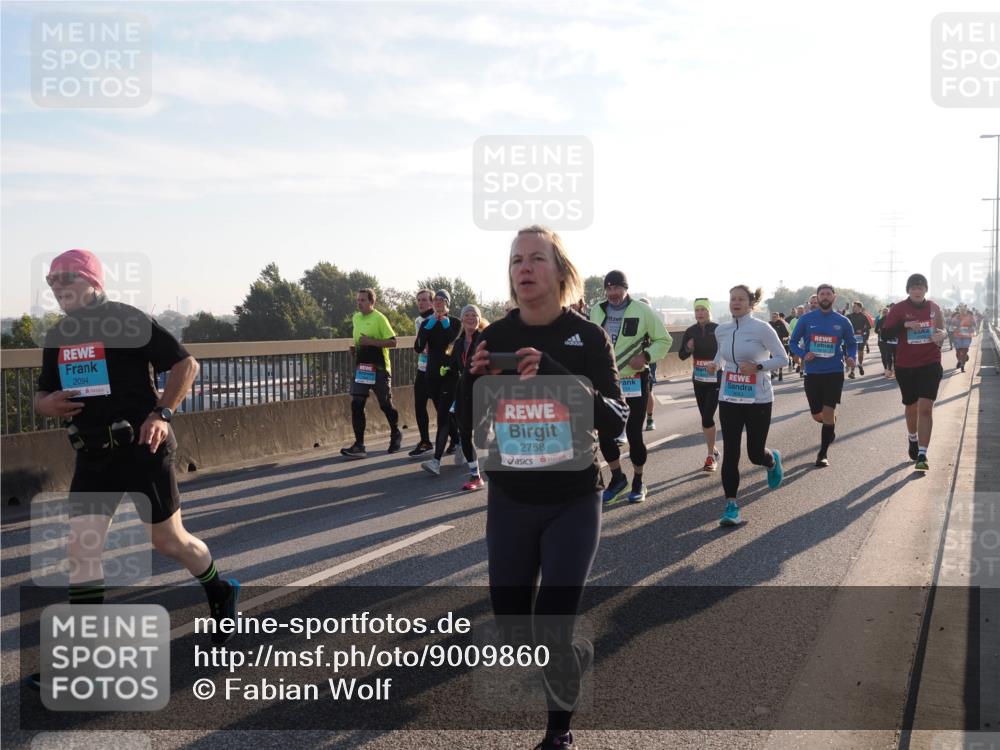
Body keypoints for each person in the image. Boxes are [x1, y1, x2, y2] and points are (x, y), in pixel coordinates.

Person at [29, 249, 239, 690]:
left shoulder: (126, 320)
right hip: (93, 455)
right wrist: (45, 404)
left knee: (168, 542)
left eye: (67, 277)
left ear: (93, 281)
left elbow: (186, 364)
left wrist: (163, 413)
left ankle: (219, 588)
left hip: (144, 447)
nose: (58, 287)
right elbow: (42, 395)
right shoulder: (58, 335)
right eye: (51, 281)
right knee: (81, 549)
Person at [461, 225, 627, 750]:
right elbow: (470, 424)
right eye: (516, 260)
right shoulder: (494, 338)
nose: (524, 268)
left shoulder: (589, 336)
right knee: (512, 626)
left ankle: (559, 732)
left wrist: (554, 373)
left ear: (560, 271)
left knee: (554, 622)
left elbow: (617, 421)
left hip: (572, 502)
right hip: (510, 502)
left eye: (536, 258)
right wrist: (472, 380)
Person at [706, 285, 788, 526]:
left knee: (754, 453)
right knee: (731, 452)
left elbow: (782, 357)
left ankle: (771, 459)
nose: (735, 302)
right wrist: (714, 364)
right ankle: (731, 506)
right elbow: (721, 354)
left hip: (758, 398)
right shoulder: (722, 330)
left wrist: (758, 367)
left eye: (741, 299)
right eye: (732, 299)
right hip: (730, 396)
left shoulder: (762, 328)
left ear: (751, 303)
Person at [590, 271, 672, 504]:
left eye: (617, 288)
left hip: (635, 379)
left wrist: (646, 356)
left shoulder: (643, 310)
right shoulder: (597, 310)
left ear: (626, 289)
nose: (613, 293)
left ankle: (638, 481)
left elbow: (664, 340)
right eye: (609, 288)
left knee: (634, 434)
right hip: (606, 381)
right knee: (605, 434)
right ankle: (618, 478)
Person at [880, 273, 947, 472]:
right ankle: (913, 438)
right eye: (913, 288)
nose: (917, 291)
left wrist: (941, 335)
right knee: (912, 407)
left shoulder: (934, 307)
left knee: (926, 408)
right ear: (908, 290)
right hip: (906, 365)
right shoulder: (899, 309)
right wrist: (904, 325)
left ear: (926, 289)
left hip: (930, 362)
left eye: (921, 287)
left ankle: (923, 454)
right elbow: (884, 334)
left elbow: (943, 330)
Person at [788, 284, 857, 467]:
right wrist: (803, 355)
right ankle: (830, 425)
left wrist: (852, 356)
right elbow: (793, 342)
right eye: (822, 294)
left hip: (834, 372)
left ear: (834, 297)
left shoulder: (842, 321)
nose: (825, 297)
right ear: (817, 298)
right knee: (817, 415)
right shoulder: (806, 319)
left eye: (828, 294)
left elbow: (851, 343)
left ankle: (822, 453)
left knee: (828, 411)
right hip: (813, 372)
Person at [340, 288, 402, 459]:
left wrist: (370, 342)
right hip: (363, 368)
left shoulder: (380, 318)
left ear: (371, 302)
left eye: (362, 300)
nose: (359, 303)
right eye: (358, 300)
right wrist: (357, 349)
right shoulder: (356, 317)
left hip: (380, 368)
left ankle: (395, 433)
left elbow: (393, 342)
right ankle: (359, 445)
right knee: (357, 403)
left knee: (385, 404)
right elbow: (361, 340)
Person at [416, 290, 463, 475]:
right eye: (436, 300)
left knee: (443, 415)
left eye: (442, 300)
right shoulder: (427, 322)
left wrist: (444, 323)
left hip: (450, 374)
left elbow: (453, 342)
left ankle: (436, 461)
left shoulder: (455, 322)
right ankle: (459, 442)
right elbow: (418, 347)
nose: (438, 303)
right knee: (443, 413)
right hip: (431, 374)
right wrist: (427, 328)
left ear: (448, 303)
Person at [447, 304, 488, 490]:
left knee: (486, 433)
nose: (471, 318)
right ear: (462, 320)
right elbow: (455, 368)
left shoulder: (485, 340)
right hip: (463, 392)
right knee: (464, 432)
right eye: (467, 315)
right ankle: (475, 476)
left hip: (484, 391)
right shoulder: (457, 344)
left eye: (474, 315)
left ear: (479, 320)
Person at [677, 298, 721, 471]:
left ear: (709, 311)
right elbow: (681, 355)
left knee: (708, 416)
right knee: (705, 418)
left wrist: (717, 364)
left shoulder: (718, 329)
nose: (700, 313)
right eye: (697, 310)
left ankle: (710, 456)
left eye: (703, 310)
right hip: (699, 380)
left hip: (715, 378)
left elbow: (726, 351)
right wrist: (688, 348)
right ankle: (714, 450)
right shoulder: (690, 331)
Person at [408, 288, 435, 456]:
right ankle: (425, 441)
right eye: (419, 300)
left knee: (442, 407)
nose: (421, 303)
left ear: (432, 302)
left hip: (437, 369)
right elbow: (420, 343)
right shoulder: (418, 320)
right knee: (419, 404)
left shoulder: (438, 318)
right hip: (422, 367)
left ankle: (455, 439)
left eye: (424, 300)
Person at [639, 297, 658, 431]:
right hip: (630, 361)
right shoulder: (630, 320)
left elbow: (660, 342)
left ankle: (650, 419)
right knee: (628, 392)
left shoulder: (654, 323)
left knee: (648, 390)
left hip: (648, 360)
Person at [846, 301, 872, 378]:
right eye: (853, 306)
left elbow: (869, 327)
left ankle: (860, 364)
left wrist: (862, 330)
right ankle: (852, 372)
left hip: (860, 337)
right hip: (851, 337)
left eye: (855, 306)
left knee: (860, 353)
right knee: (852, 354)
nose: (853, 308)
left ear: (860, 308)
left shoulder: (864, 317)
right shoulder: (849, 316)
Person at [949, 303, 976, 373]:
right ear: (959, 310)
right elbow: (951, 327)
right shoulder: (955, 317)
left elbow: (974, 325)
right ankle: (959, 360)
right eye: (961, 309)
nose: (963, 311)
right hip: (957, 337)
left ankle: (962, 366)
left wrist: (971, 328)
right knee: (958, 352)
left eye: (964, 309)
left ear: (966, 310)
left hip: (967, 337)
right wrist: (955, 328)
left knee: (964, 351)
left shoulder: (970, 317)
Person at [875, 305, 898, 378]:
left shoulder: (896, 319)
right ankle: (890, 371)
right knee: (890, 356)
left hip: (892, 341)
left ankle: (891, 371)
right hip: (888, 341)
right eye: (884, 312)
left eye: (886, 312)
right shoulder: (883, 320)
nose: (885, 313)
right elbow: (877, 330)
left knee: (891, 356)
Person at [768, 311, 791, 382]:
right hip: (770, 344)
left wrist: (777, 334)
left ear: (778, 317)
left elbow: (786, 334)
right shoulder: (769, 323)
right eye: (772, 317)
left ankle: (780, 373)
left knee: (780, 358)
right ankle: (772, 373)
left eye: (775, 317)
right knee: (771, 359)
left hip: (779, 343)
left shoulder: (781, 323)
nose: (773, 318)